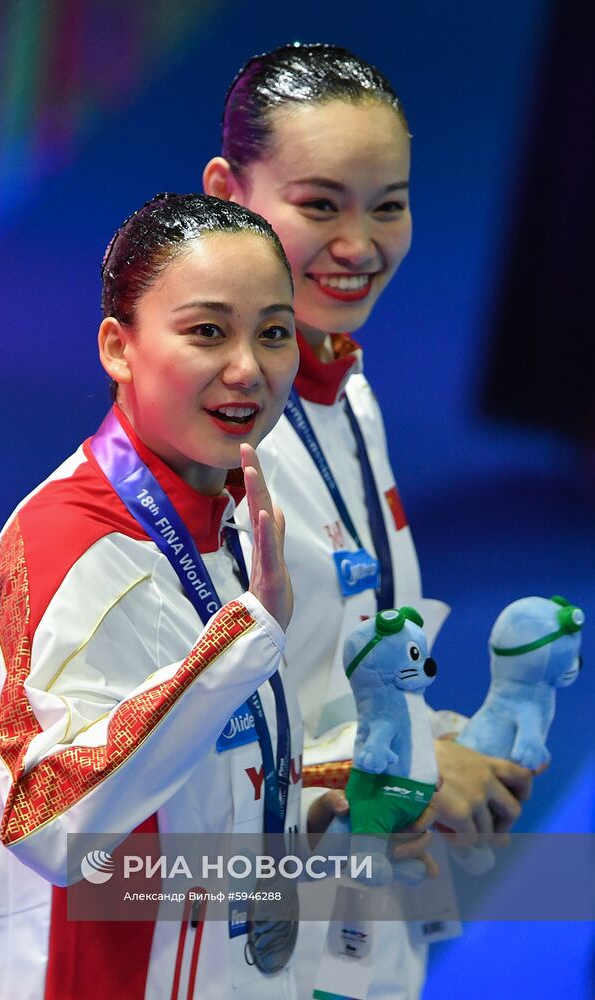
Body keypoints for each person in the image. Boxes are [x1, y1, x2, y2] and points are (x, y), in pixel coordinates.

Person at [203, 44, 536, 998]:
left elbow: (337, 655)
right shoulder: (205, 447)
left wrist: (445, 743)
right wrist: (414, 773)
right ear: (229, 192)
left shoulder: (343, 384)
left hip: (353, 919)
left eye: (387, 204)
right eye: (319, 205)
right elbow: (170, 760)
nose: (360, 244)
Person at [0, 192, 321, 1000]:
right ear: (119, 347)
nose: (248, 368)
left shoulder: (226, 505)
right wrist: (242, 640)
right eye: (207, 331)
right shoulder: (69, 543)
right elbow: (51, 821)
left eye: (274, 332)